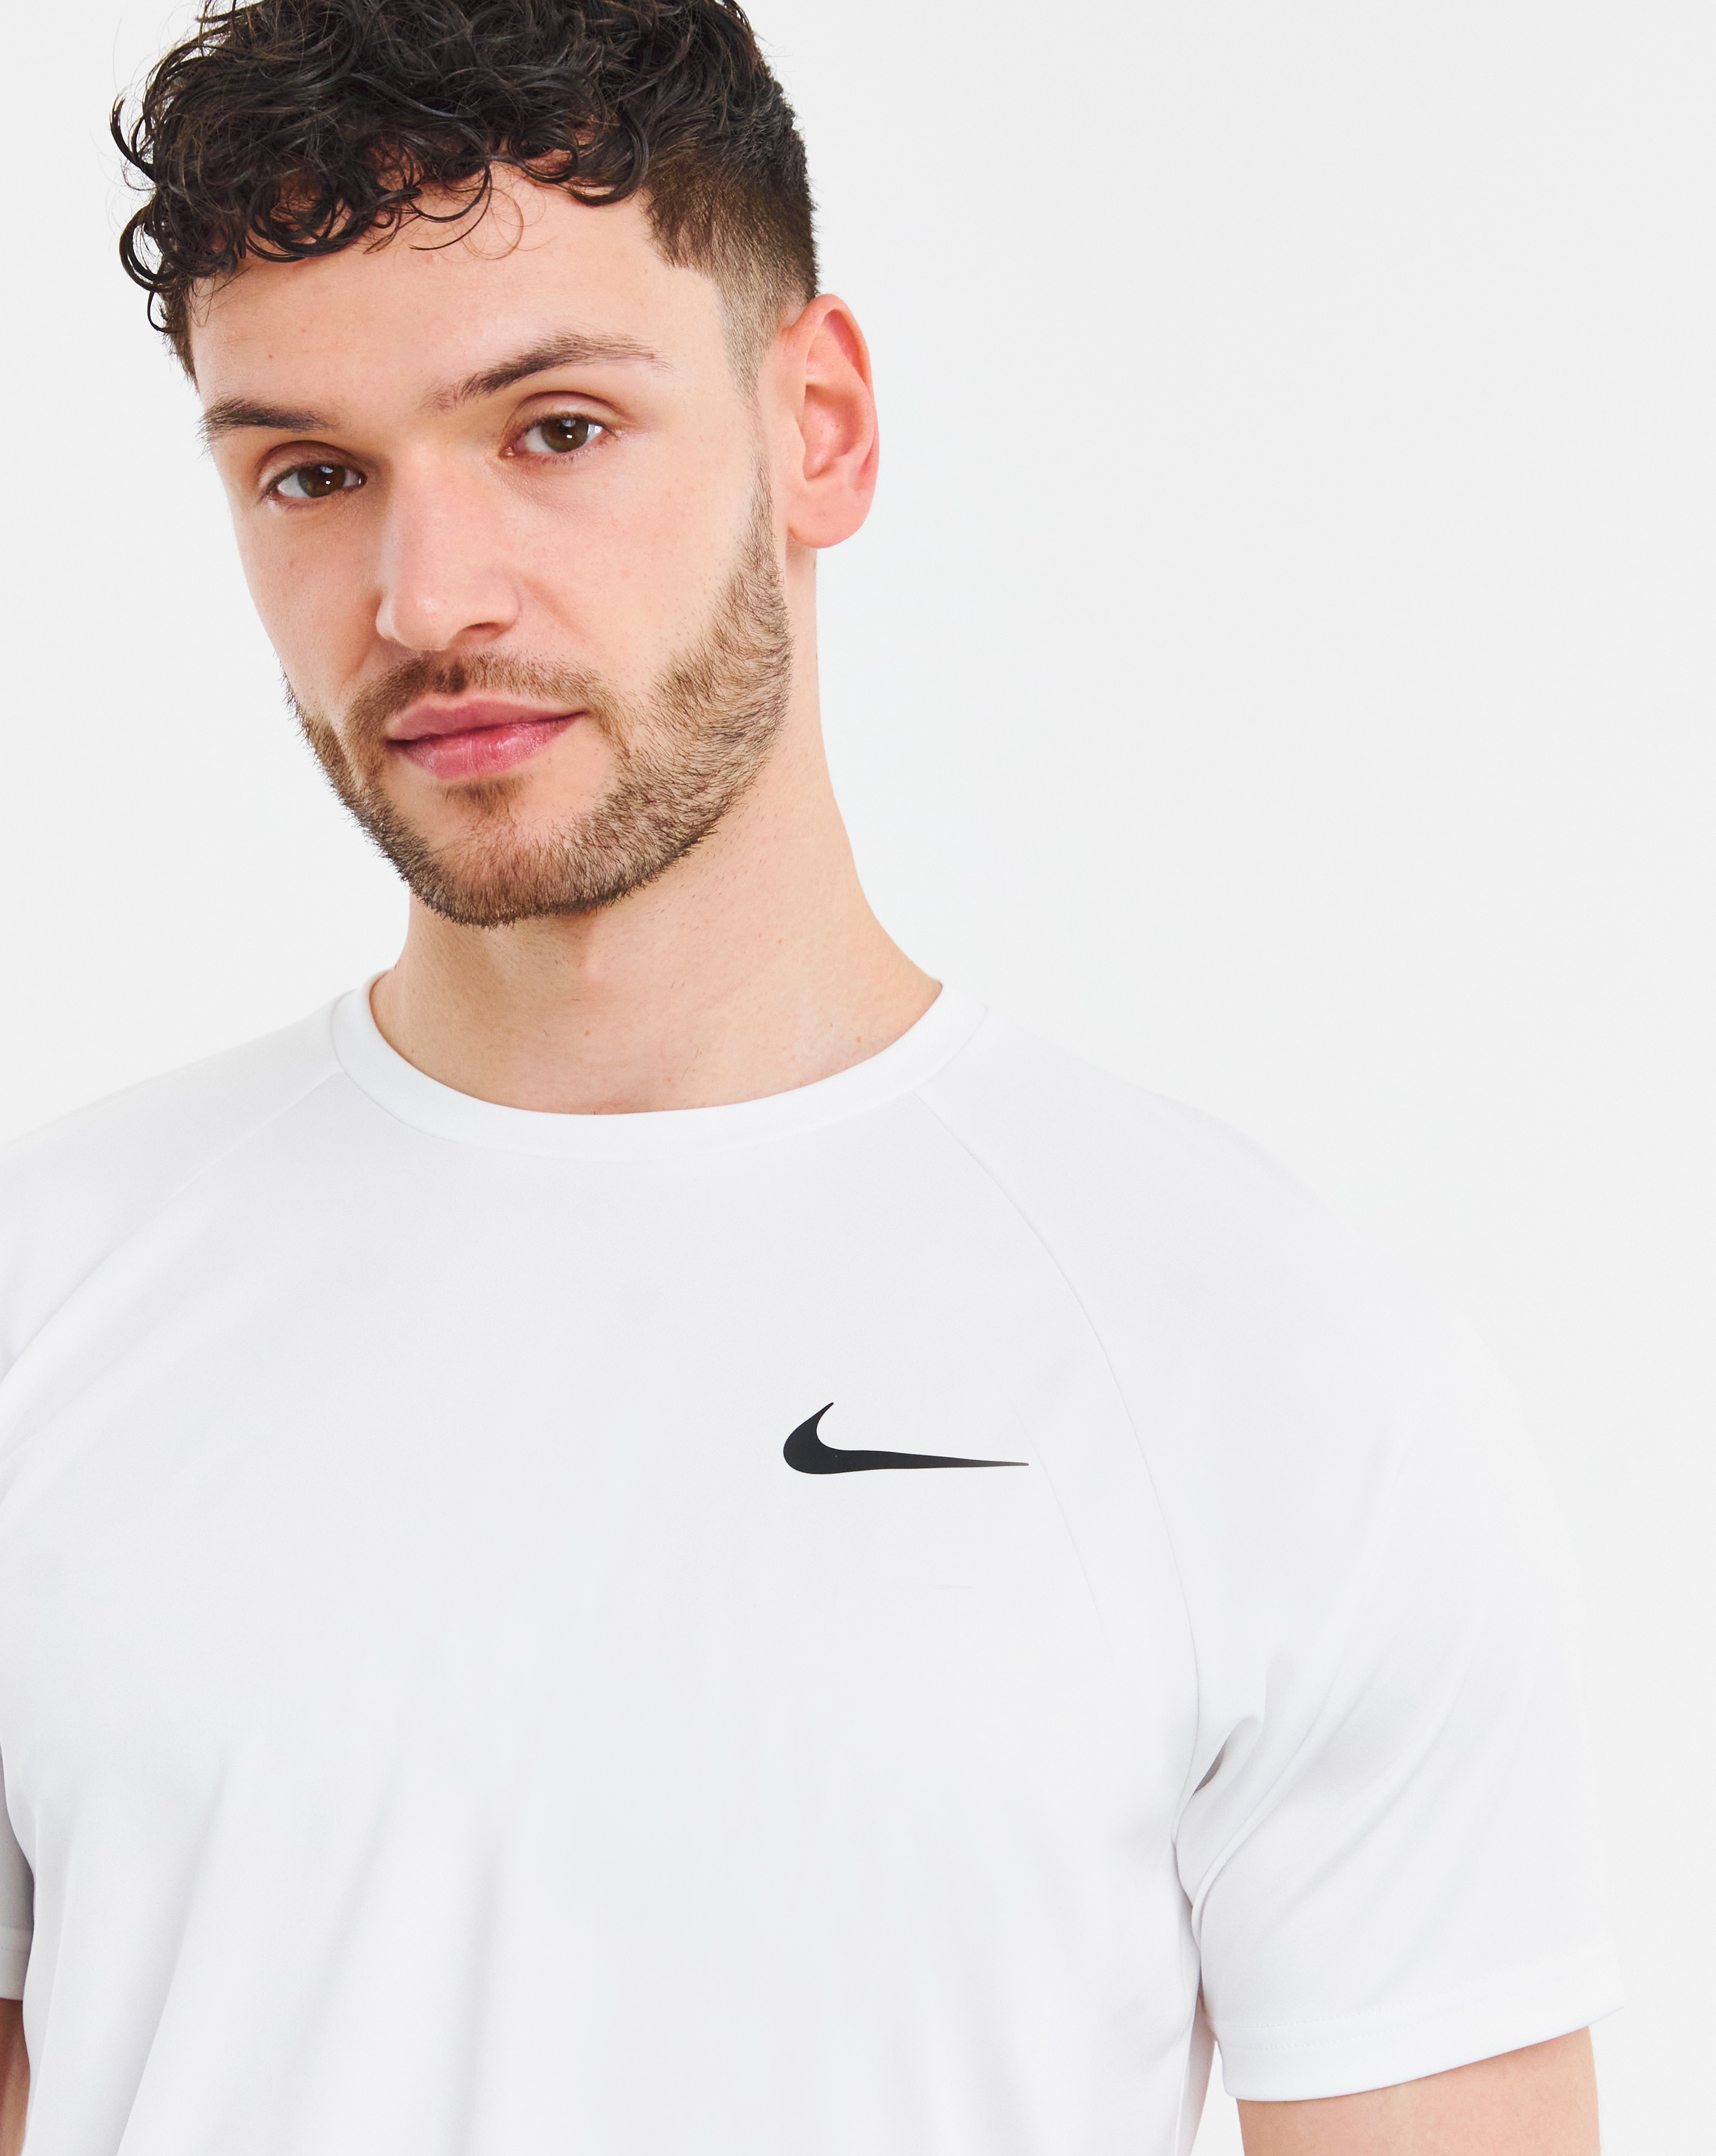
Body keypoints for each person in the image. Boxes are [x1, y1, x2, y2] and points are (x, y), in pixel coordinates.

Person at [0, 2, 1620, 2150]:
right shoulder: (46, 1301)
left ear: (820, 428)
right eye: (311, 472)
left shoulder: (1268, 1373)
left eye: (557, 428)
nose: (427, 596)